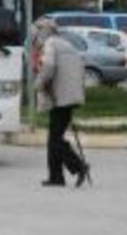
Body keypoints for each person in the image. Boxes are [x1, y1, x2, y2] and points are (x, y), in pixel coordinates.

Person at [34, 18, 90, 188]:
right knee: (54, 137)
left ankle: (78, 166)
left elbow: (49, 67)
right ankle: (56, 177)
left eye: (38, 31)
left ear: (45, 31)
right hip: (69, 96)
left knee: (55, 139)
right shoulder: (66, 44)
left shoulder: (51, 43)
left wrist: (39, 84)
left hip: (60, 97)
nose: (36, 36)